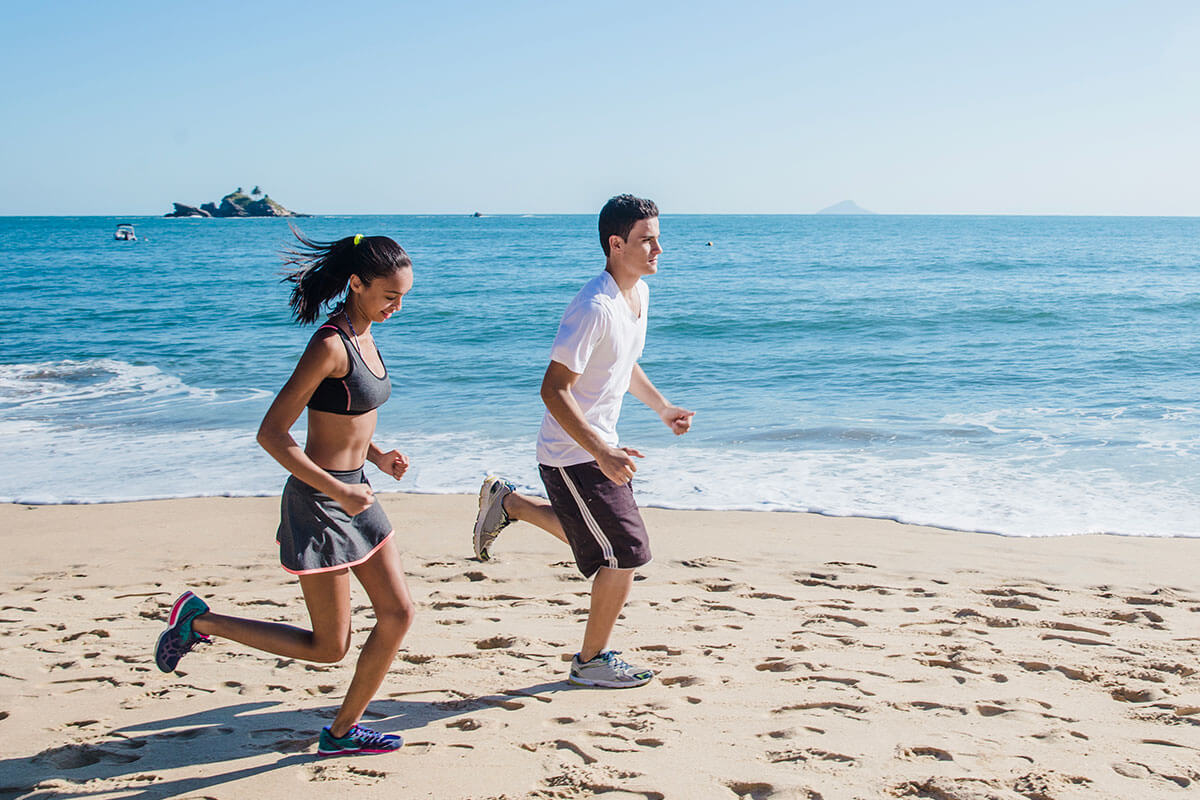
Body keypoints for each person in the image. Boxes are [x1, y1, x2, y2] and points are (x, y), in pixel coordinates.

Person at [154, 231, 416, 757]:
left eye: (404, 296)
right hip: (320, 503)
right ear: (357, 284)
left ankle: (340, 733)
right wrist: (336, 489)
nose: (398, 306)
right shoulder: (329, 345)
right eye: (390, 296)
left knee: (398, 614)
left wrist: (377, 456)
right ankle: (198, 621)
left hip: (356, 492)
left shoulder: (365, 334)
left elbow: (344, 416)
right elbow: (272, 434)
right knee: (329, 646)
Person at [472, 194, 694, 688]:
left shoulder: (637, 295)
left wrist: (662, 408)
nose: (659, 249)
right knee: (626, 551)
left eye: (658, 238)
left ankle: (509, 504)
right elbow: (553, 389)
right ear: (616, 244)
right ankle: (591, 661)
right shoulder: (593, 306)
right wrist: (601, 451)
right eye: (647, 240)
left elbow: (621, 363)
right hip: (571, 453)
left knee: (606, 544)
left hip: (598, 446)